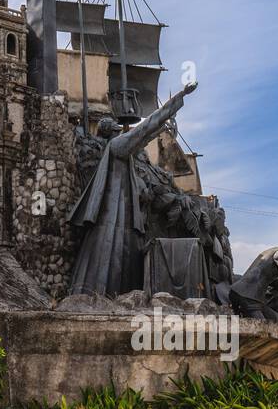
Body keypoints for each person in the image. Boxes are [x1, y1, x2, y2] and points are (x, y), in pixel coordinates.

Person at [69, 82, 198, 297]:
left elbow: (146, 134)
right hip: (115, 213)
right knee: (111, 256)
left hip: (120, 211)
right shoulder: (119, 147)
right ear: (112, 133)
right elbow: (145, 129)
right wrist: (176, 101)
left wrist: (165, 122)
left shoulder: (119, 150)